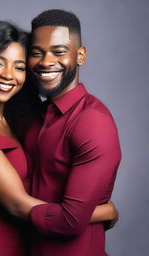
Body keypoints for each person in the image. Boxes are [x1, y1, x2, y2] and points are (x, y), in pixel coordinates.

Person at [0, 20, 118, 256]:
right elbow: (17, 204)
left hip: (21, 246)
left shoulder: (15, 121)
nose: (8, 75)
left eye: (19, 67)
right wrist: (101, 212)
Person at [24, 9, 122, 256]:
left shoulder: (92, 121)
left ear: (80, 56)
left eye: (58, 52)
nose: (45, 61)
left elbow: (70, 222)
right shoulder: (34, 115)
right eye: (37, 53)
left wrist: (14, 206)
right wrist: (102, 211)